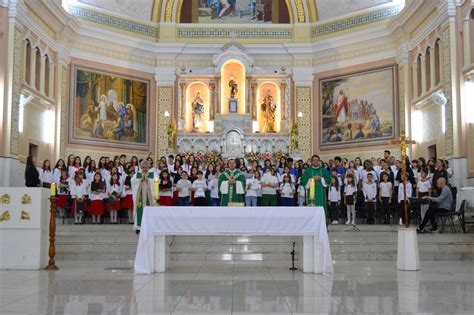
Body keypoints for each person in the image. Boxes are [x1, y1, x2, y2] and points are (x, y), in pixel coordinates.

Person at [131, 160, 155, 234]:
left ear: (149, 166)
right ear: (141, 167)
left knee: (150, 210)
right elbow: (132, 181)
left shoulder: (152, 173)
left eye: (146, 167)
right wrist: (141, 178)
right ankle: (139, 227)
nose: (145, 169)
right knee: (139, 210)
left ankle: (149, 226)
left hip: (149, 196)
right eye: (143, 167)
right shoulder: (138, 174)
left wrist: (148, 179)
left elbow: (156, 182)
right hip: (140, 195)